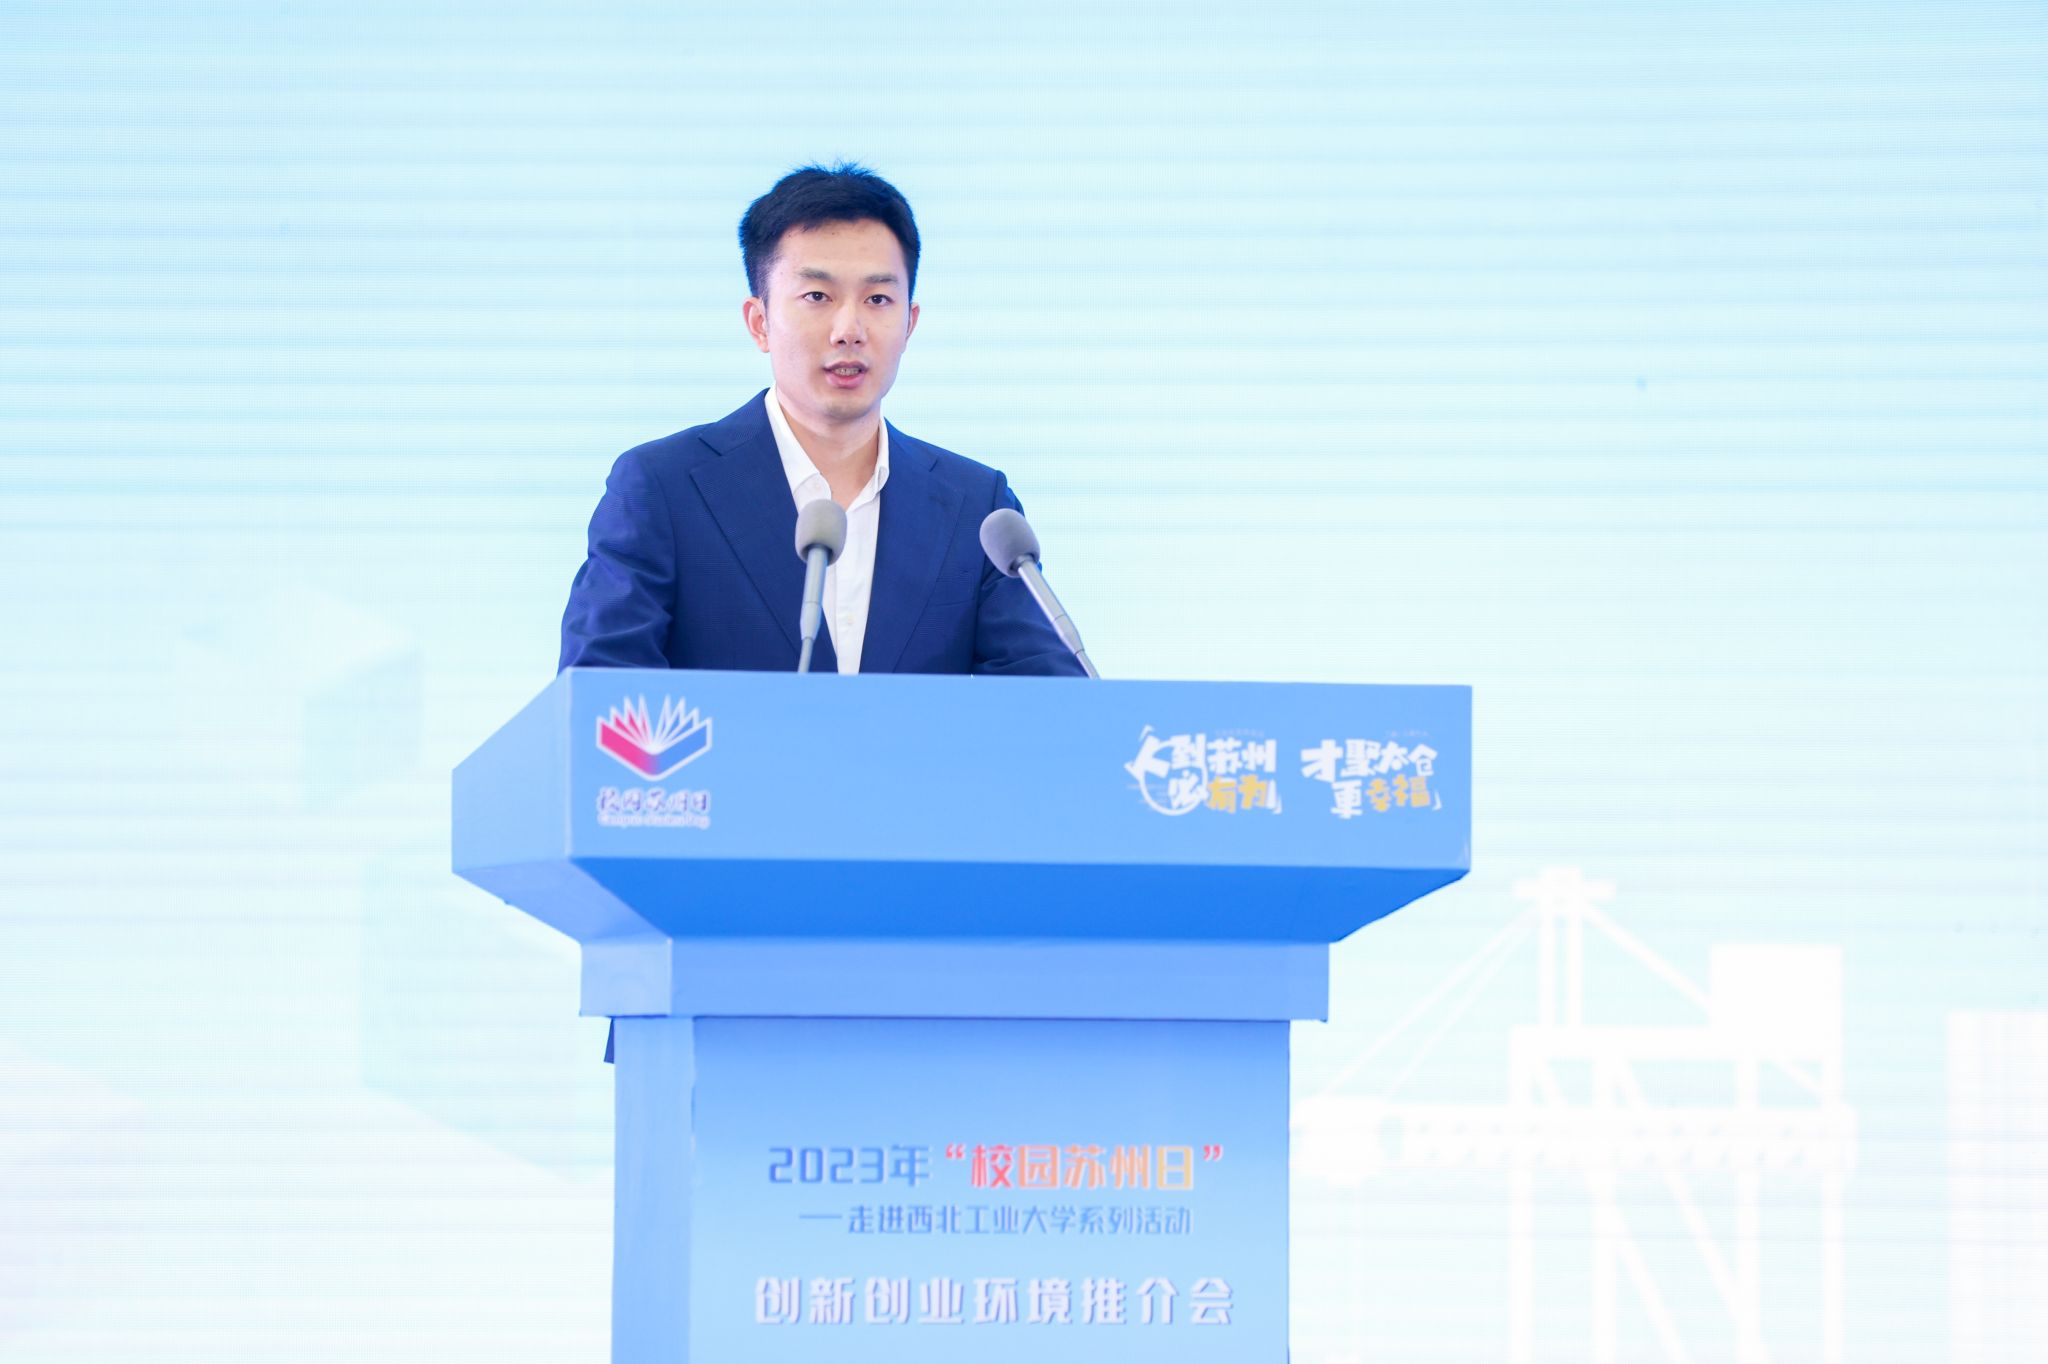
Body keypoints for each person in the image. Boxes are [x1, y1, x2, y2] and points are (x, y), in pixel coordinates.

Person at [558, 161, 1086, 679]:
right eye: (817, 296)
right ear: (760, 323)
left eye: (878, 298)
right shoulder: (662, 489)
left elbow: (1054, 707)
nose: (848, 329)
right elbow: (601, 696)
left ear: (909, 323)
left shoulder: (977, 508)